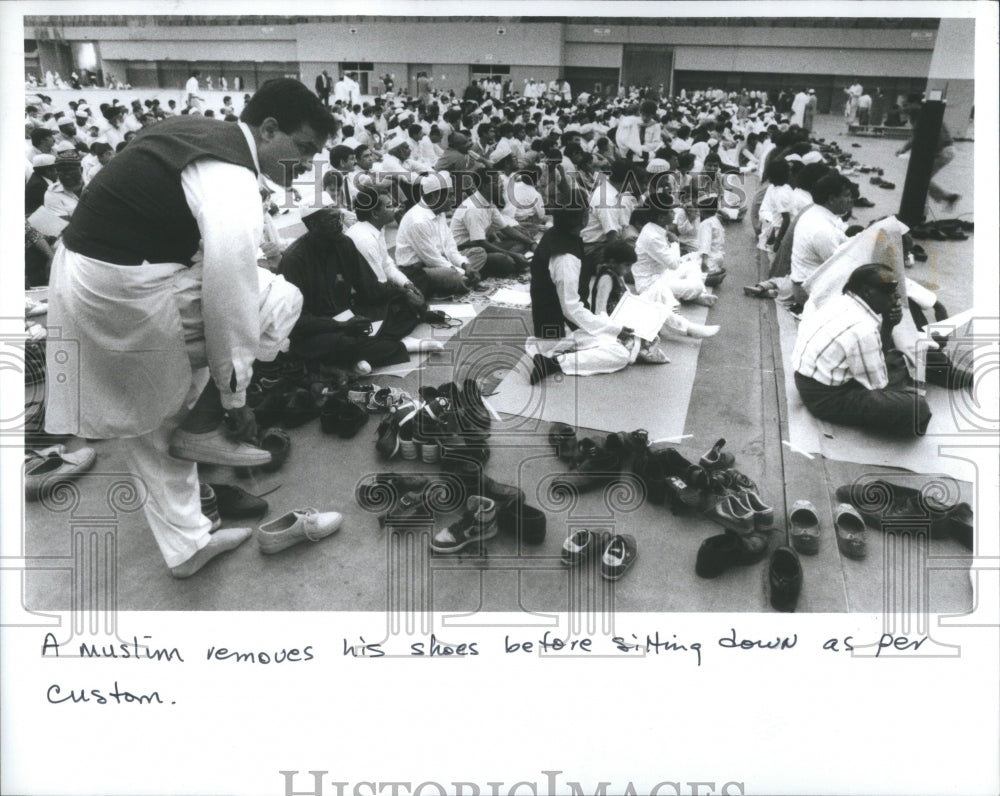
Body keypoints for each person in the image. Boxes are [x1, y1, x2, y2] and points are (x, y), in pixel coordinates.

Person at [45, 78, 336, 578]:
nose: (306, 164)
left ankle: (187, 546)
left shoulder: (195, 129)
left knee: (153, 415)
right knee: (279, 299)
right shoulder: (231, 178)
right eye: (304, 148)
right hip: (122, 288)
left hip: (83, 277)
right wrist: (234, 397)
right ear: (269, 130)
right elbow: (231, 293)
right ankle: (204, 427)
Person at [792, 263, 931, 437]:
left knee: (903, 356)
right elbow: (879, 385)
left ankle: (940, 374)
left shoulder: (841, 300)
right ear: (867, 291)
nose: (896, 296)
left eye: (896, 289)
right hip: (825, 398)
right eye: (889, 290)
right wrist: (888, 325)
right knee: (917, 408)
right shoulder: (863, 328)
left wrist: (888, 325)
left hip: (809, 379)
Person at [279, 206, 421, 372]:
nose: (340, 224)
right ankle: (395, 345)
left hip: (349, 316)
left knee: (400, 307)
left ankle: (361, 354)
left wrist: (404, 292)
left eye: (339, 217)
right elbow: (297, 320)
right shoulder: (294, 260)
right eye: (332, 220)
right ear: (312, 224)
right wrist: (340, 326)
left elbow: (368, 287)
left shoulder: (343, 243)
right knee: (339, 343)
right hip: (319, 329)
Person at [527, 191, 638, 384]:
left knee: (614, 331)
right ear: (584, 218)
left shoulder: (556, 235)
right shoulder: (565, 258)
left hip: (563, 322)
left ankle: (559, 356)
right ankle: (555, 362)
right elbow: (571, 309)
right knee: (619, 352)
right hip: (561, 330)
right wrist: (614, 330)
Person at [394, 171, 485, 296]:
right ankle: (457, 283)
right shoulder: (418, 220)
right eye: (450, 195)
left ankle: (459, 282)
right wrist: (462, 272)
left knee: (479, 253)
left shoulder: (439, 213)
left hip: (440, 262)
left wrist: (466, 266)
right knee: (452, 275)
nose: (454, 199)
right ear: (436, 196)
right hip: (418, 271)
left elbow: (450, 248)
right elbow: (432, 259)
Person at [449, 168, 535, 276]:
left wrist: (531, 242)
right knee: (506, 261)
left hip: (482, 247)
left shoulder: (488, 202)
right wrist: (513, 255)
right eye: (496, 182)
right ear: (485, 186)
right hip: (468, 252)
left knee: (523, 241)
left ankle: (512, 262)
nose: (501, 186)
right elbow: (481, 243)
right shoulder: (474, 208)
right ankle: (490, 269)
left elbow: (507, 229)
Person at [789, 172, 853, 305]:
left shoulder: (816, 213)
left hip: (808, 284)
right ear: (831, 199)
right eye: (847, 195)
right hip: (808, 292)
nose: (850, 200)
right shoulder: (822, 229)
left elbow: (845, 241)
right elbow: (840, 267)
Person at [896, 102, 961, 210]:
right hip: (947, 150)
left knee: (922, 179)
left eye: (906, 116)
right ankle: (944, 198)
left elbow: (918, 139)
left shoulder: (921, 122)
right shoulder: (929, 119)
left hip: (944, 151)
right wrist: (904, 149)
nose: (905, 119)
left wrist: (906, 150)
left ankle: (946, 198)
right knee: (922, 179)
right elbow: (917, 138)